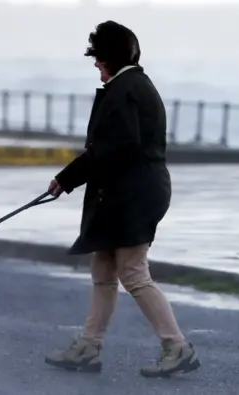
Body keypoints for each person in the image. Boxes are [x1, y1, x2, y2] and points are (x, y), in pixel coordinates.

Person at [44, 20, 201, 378]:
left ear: (110, 57)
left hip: (133, 196)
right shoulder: (131, 85)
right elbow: (110, 149)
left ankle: (176, 345)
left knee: (132, 272)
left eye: (98, 59)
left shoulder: (125, 90)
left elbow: (114, 149)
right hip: (123, 194)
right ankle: (89, 345)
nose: (96, 66)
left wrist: (67, 178)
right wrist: (68, 179)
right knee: (103, 270)